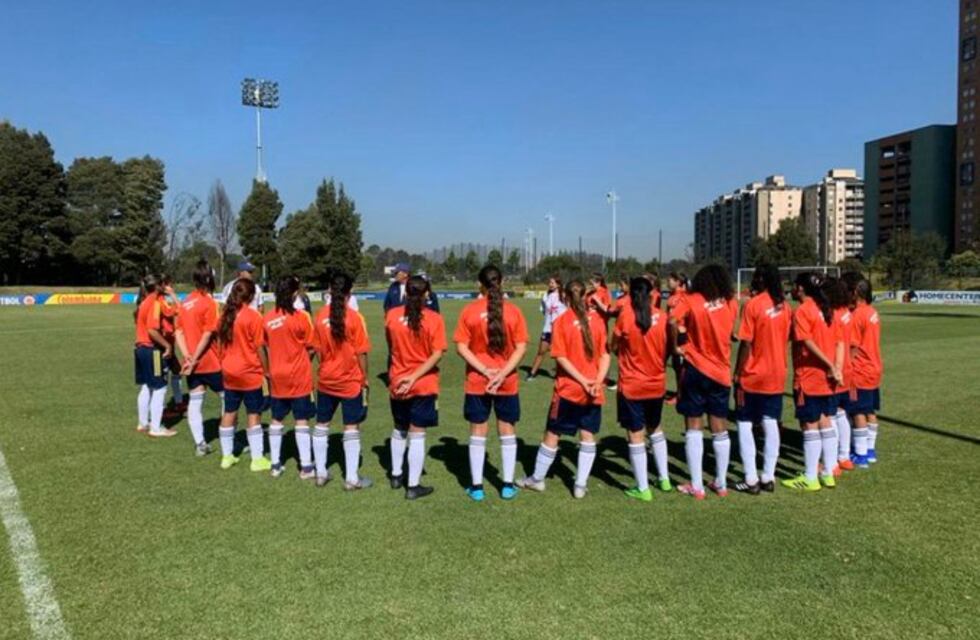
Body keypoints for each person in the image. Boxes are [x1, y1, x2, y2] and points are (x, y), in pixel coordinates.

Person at [518, 279, 611, 499]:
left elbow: (561, 357)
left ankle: (537, 480)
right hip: (593, 390)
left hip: (569, 390)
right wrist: (596, 381)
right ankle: (580, 485)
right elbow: (606, 354)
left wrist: (582, 380)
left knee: (552, 434)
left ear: (564, 297)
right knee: (587, 435)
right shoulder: (597, 320)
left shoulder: (562, 321)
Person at [453, 265, 529, 502]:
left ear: (479, 284)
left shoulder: (470, 310)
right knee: (507, 430)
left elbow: (461, 347)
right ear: (502, 282)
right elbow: (521, 347)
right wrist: (501, 373)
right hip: (507, 381)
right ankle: (507, 485)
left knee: (478, 430)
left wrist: (485, 370)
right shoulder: (514, 311)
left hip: (478, 380)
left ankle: (477, 488)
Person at [669, 265, 739, 500]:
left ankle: (697, 486)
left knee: (693, 425)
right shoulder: (731, 302)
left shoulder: (691, 300)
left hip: (696, 368)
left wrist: (676, 345)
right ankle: (720, 482)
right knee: (719, 426)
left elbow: (671, 320)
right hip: (721, 372)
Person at [385, 275, 447, 500]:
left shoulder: (391, 316)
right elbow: (437, 353)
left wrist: (406, 376)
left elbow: (391, 346)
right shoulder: (434, 319)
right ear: (426, 294)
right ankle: (413, 485)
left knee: (399, 428)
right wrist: (414, 377)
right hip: (423, 384)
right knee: (417, 433)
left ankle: (395, 474)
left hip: (397, 381)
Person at [782, 273, 844, 492]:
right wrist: (837, 366)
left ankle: (810, 477)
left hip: (809, 376)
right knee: (825, 421)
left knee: (809, 424)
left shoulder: (803, 311)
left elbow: (806, 341)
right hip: (827, 379)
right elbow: (840, 342)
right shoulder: (828, 309)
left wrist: (829, 365)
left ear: (801, 288)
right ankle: (828, 472)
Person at [732, 264, 791, 494]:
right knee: (770, 421)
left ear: (761, 279)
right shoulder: (784, 307)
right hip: (777, 372)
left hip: (754, 373)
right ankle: (768, 476)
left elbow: (746, 342)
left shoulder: (753, 305)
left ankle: (750, 477)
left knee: (745, 422)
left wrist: (738, 372)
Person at [312, 271, 373, 490]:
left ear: (330, 289)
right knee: (351, 427)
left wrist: (328, 365)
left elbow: (317, 350)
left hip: (326, 379)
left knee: (321, 425)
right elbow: (362, 353)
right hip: (350, 381)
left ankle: (320, 474)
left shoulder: (319, 316)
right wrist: (364, 378)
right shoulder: (354, 318)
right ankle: (351, 479)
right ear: (350, 291)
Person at [613, 276, 671, 501]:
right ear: (651, 294)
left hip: (632, 385)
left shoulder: (626, 316)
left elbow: (613, 345)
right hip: (656, 383)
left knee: (635, 435)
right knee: (655, 429)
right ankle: (664, 479)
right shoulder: (663, 317)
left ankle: (643, 488)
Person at [263, 275, 316, 479]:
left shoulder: (267, 319)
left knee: (276, 419)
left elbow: (264, 346)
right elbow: (312, 347)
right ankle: (306, 467)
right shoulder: (302, 317)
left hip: (277, 375)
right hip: (299, 376)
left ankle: (276, 464)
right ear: (295, 293)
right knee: (301, 420)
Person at [217, 278, 271, 472]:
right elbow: (259, 348)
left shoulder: (224, 316)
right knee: (253, 413)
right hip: (249, 372)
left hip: (229, 371)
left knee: (229, 412)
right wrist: (267, 371)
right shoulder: (253, 316)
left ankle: (226, 456)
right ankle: (257, 459)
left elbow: (220, 345)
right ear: (251, 296)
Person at [176, 260, 222, 456]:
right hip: (210, 361)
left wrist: (186, 355)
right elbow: (208, 333)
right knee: (229, 399)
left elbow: (178, 331)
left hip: (191, 364)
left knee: (195, 401)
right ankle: (230, 438)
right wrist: (194, 358)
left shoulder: (185, 302)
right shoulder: (209, 302)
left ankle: (200, 443)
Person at [842, 273, 881, 467]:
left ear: (855, 292)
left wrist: (843, 368)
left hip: (860, 370)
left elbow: (853, 347)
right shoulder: (871, 311)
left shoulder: (857, 316)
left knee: (857, 412)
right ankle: (870, 450)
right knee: (869, 411)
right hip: (874, 367)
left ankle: (860, 454)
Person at [134, 274, 177, 438]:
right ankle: (156, 427)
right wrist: (167, 345)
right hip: (152, 350)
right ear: (158, 286)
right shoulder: (154, 302)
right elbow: (152, 330)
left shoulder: (144, 301)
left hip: (140, 348)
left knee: (147, 386)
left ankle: (143, 423)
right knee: (160, 387)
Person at [826, 277, 856, 474]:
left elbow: (835, 344)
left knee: (830, 415)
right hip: (847, 368)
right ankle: (844, 456)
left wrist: (834, 368)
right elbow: (852, 344)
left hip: (836, 369)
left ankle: (833, 461)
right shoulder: (847, 313)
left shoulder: (834, 315)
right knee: (842, 413)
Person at [526, 276, 565, 381]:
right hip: (547, 329)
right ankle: (532, 373)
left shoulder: (564, 296)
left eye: (553, 282)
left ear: (559, 284)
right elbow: (543, 310)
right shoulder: (545, 296)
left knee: (559, 354)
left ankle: (559, 375)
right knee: (541, 352)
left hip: (560, 330)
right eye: (550, 282)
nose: (550, 284)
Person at [158, 274, 185, 418]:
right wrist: (173, 295)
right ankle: (161, 410)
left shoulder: (163, 300)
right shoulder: (161, 301)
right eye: (169, 284)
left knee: (176, 371)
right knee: (161, 379)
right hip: (163, 343)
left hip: (170, 342)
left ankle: (179, 402)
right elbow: (179, 310)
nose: (171, 286)